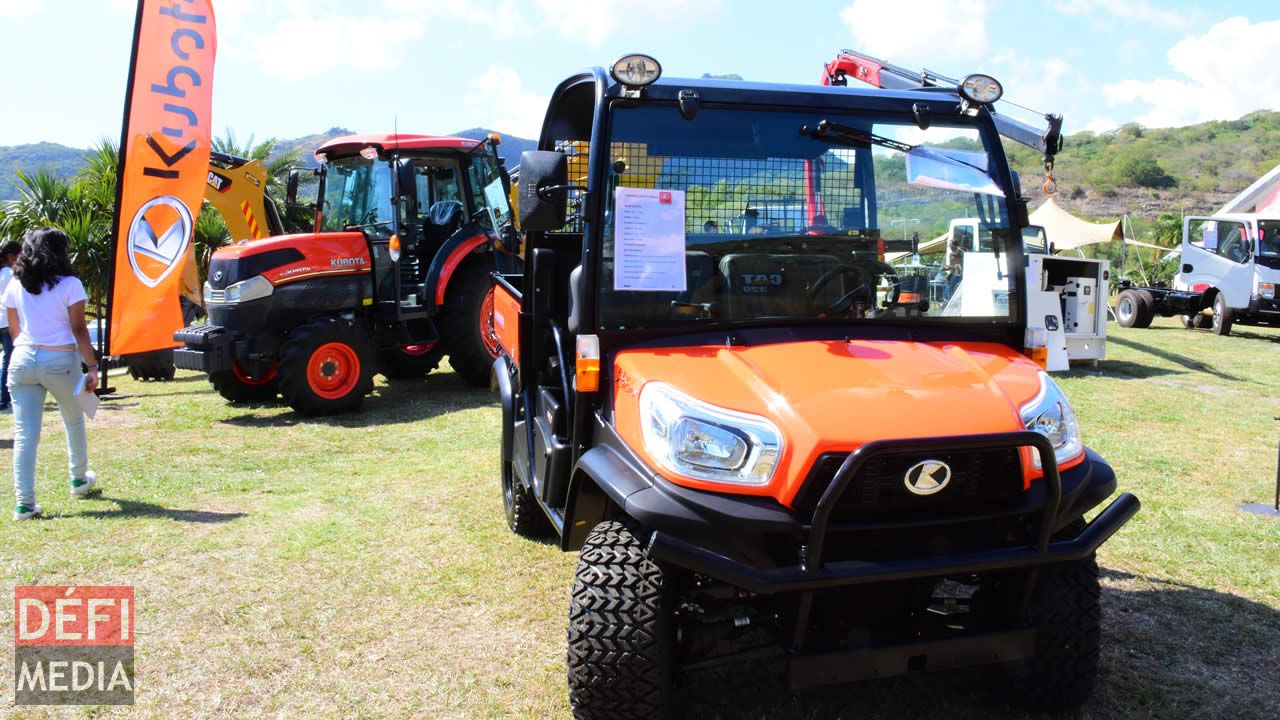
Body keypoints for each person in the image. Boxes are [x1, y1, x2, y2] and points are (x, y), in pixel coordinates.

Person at [3, 228, 100, 520]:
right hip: (59, 359)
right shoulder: (70, 284)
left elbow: (14, 328)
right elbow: (79, 329)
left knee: (25, 435)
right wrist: (92, 366)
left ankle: (24, 504)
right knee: (73, 419)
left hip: (22, 359)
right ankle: (79, 478)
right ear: (59, 252)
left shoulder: (15, 284)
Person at [0, 240, 20, 411]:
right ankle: (4, 397)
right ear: (10, 256)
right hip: (6, 322)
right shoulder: (9, 274)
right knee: (9, 360)